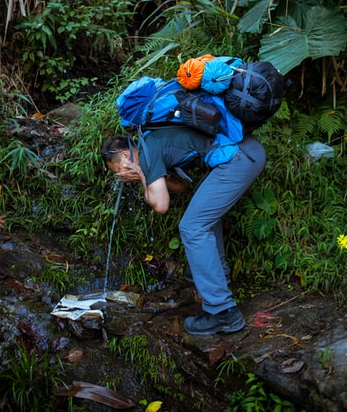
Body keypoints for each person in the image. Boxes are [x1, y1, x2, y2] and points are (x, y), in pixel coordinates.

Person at [101, 126, 266, 335]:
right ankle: (216, 276)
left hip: (239, 159)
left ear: (124, 155)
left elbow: (161, 205)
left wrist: (142, 175)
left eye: (119, 170)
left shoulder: (147, 152)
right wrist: (144, 175)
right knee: (201, 211)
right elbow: (182, 186)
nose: (122, 176)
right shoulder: (150, 143)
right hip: (245, 151)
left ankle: (223, 313)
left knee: (192, 227)